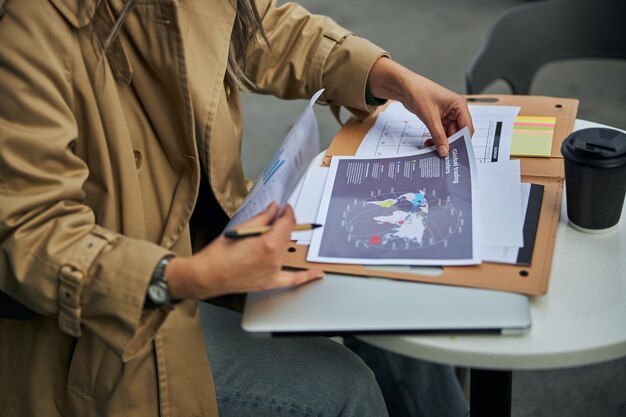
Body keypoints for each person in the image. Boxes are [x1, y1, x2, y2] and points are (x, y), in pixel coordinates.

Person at [0, 0, 473, 416]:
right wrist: (190, 277)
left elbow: (259, 26)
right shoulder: (28, 25)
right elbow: (30, 232)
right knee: (344, 392)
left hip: (215, 241)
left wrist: (383, 75)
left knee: (398, 293)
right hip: (110, 323)